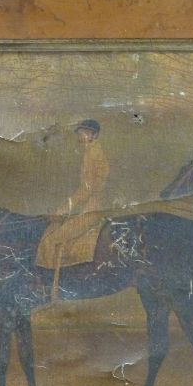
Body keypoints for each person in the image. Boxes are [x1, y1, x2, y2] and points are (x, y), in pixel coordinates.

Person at [36, 119, 111, 295]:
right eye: (79, 133)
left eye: (83, 133)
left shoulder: (93, 154)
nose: (80, 136)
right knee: (53, 229)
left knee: (51, 240)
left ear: (94, 135)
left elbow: (86, 190)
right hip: (88, 206)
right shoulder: (90, 152)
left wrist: (63, 210)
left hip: (91, 209)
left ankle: (48, 289)